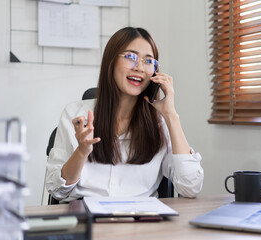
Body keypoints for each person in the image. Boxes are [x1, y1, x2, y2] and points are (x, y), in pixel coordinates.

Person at [46, 27, 204, 202]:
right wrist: (82, 151)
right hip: (86, 217)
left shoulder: (160, 122)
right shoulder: (75, 114)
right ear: (111, 62)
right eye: (130, 57)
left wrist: (171, 116)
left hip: (140, 221)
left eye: (148, 61)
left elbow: (191, 187)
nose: (140, 67)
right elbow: (57, 190)